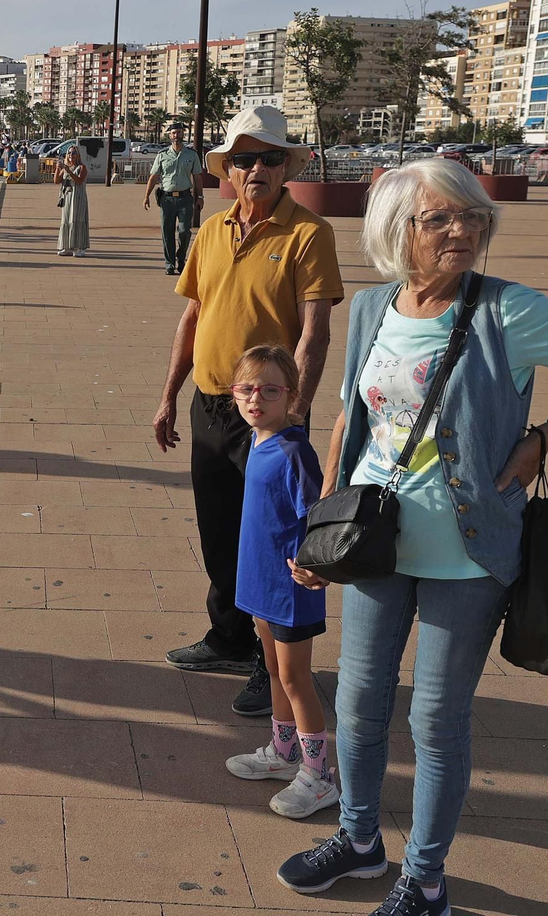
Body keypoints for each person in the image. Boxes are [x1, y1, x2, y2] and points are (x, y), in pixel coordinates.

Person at [274, 158, 548, 916]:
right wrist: (323, 516)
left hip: (468, 550)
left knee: (435, 716)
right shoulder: (370, 309)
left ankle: (425, 879)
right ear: (397, 229)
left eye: (473, 216)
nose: (462, 230)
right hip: (375, 542)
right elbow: (350, 416)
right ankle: (359, 839)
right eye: (440, 218)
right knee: (358, 702)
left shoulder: (509, 312)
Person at [152, 105, 343, 719]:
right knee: (217, 531)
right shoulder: (211, 230)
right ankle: (229, 637)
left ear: (287, 167)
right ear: (228, 170)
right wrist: (169, 396)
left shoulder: (309, 234)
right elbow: (192, 317)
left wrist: (295, 412)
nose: (255, 168)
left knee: (272, 541)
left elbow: (314, 333)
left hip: (268, 415)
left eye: (268, 158)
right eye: (243, 159)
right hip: (211, 403)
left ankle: (272, 665)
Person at [221, 345, 334, 820]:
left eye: (270, 390)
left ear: (291, 395)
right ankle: (284, 753)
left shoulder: (293, 450)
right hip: (260, 583)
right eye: (246, 389)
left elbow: (316, 514)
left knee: (295, 678)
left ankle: (319, 775)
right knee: (272, 669)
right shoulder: (257, 440)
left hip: (290, 587)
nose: (256, 399)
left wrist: (316, 566)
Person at [143, 126, 205, 275]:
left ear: (183, 134)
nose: (176, 135)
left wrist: (200, 197)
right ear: (169, 136)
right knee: (167, 231)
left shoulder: (191, 154)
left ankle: (181, 258)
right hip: (167, 199)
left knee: (184, 231)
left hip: (185, 198)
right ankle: (169, 264)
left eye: (178, 132)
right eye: (173, 133)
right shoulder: (162, 155)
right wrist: (146, 196)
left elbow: (197, 177)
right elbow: (154, 176)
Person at [55, 144, 89, 257]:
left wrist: (68, 171)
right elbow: (56, 181)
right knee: (66, 220)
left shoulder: (82, 167)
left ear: (78, 155)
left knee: (77, 220)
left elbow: (79, 180)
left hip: (78, 197)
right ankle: (67, 246)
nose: (71, 155)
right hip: (67, 197)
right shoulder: (66, 167)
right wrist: (58, 168)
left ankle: (79, 247)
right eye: (69, 153)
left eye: (74, 153)